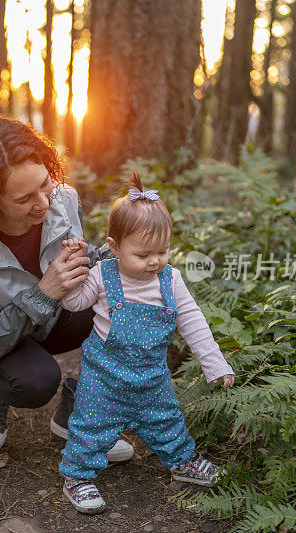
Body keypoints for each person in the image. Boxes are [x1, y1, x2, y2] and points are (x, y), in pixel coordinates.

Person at [0, 115, 133, 462]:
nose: (43, 203)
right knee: (36, 382)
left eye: (45, 183)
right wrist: (43, 293)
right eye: (24, 198)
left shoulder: (63, 198)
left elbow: (81, 259)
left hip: (55, 316)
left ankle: (80, 408)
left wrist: (120, 258)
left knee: (127, 296)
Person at [56, 174, 235, 514]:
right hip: (104, 376)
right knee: (90, 427)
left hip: (151, 376)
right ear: (113, 246)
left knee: (167, 420)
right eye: (143, 254)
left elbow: (193, 322)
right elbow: (74, 304)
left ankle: (183, 462)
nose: (154, 261)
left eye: (163, 251)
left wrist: (215, 364)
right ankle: (77, 477)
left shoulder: (171, 279)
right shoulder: (102, 275)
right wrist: (71, 271)